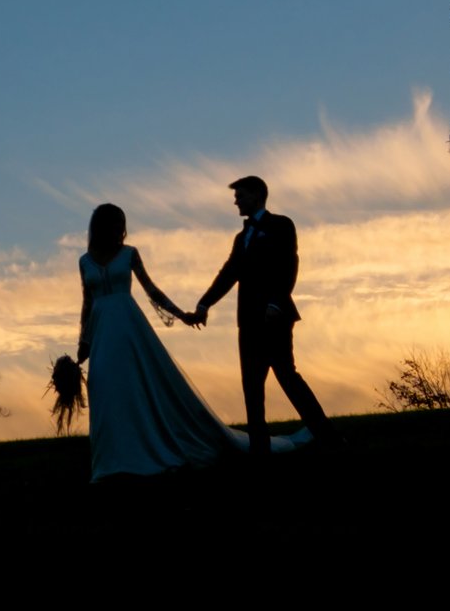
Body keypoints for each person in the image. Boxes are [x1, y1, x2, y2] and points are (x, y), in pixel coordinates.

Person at [76, 202, 290, 481]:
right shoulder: (84, 261)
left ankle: (141, 450)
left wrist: (182, 315)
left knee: (134, 385)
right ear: (104, 226)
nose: (121, 229)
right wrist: (83, 341)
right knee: (103, 387)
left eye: (122, 223)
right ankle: (109, 457)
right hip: (102, 331)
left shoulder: (129, 254)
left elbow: (152, 290)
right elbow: (87, 302)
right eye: (116, 223)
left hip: (129, 328)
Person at [187, 175, 338, 455]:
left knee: (288, 378)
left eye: (240, 195)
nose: (236, 201)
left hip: (275, 317)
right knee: (252, 386)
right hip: (247, 321)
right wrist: (204, 304)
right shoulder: (241, 237)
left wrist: (276, 303)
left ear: (256, 195)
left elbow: (289, 265)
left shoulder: (281, 225)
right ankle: (259, 450)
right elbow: (229, 273)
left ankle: (326, 436)